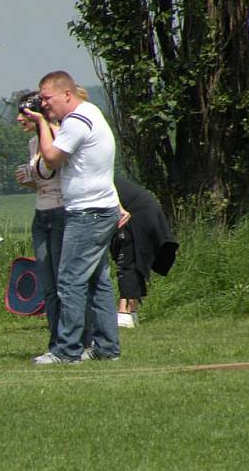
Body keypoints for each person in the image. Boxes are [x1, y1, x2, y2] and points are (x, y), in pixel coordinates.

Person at [25, 71, 126, 364]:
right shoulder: (90, 112)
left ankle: (67, 350)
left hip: (88, 212)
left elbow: (52, 159)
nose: (43, 104)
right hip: (100, 209)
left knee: (69, 280)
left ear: (66, 94)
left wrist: (42, 124)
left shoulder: (76, 120)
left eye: (47, 98)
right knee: (97, 280)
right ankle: (106, 347)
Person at [14, 91, 65, 353]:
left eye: (23, 114)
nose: (18, 119)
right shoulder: (34, 143)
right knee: (47, 282)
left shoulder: (57, 134)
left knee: (62, 281)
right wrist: (28, 181)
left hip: (60, 212)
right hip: (41, 212)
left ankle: (71, 340)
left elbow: (57, 171)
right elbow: (43, 180)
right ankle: (56, 341)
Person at [112, 175, 179, 328]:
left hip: (138, 213)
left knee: (127, 257)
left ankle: (125, 313)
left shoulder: (92, 173)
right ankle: (132, 312)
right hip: (138, 210)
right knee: (129, 256)